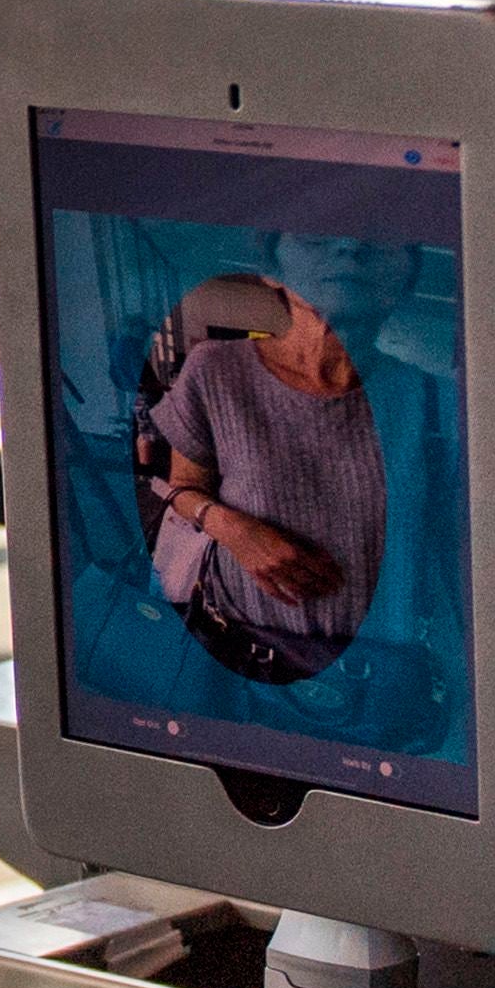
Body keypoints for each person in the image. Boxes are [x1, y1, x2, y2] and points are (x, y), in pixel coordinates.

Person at [148, 269, 384, 682]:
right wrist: (236, 530)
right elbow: (180, 486)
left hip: (379, 662)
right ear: (274, 270)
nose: (347, 253)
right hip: (240, 641)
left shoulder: (429, 397)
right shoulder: (215, 369)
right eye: (316, 240)